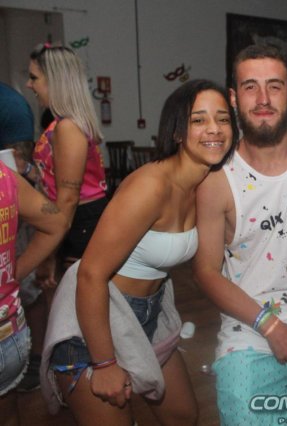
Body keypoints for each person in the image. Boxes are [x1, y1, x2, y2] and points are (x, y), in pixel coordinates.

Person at [40, 79, 236, 425]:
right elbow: (90, 274)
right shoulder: (150, 186)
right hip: (95, 319)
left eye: (223, 119)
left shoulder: (205, 184)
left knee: (183, 417)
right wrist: (104, 364)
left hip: (150, 314)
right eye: (199, 119)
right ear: (177, 131)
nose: (214, 129)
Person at [193, 44, 287, 425]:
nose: (263, 99)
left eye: (274, 86)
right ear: (234, 98)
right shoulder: (217, 180)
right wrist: (271, 326)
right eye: (250, 87)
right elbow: (205, 271)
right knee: (246, 413)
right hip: (251, 331)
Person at [26, 44, 108, 276]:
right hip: (70, 219)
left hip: (78, 221)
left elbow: (69, 198)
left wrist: (49, 252)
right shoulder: (60, 124)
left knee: (73, 293)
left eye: (34, 78)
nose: (29, 84)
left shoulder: (68, 127)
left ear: (55, 81)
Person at [0, 160, 68, 425]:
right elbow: (56, 222)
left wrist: (14, 273)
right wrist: (12, 274)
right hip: (9, 335)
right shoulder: (5, 175)